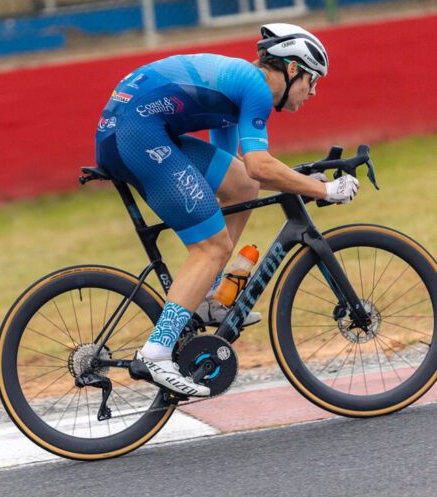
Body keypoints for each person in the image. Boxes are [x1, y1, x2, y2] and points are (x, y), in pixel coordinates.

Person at [94, 22, 360, 398]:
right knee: (212, 246)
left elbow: (243, 173)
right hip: (134, 135)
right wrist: (325, 190)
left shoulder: (239, 91)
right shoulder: (256, 89)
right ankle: (156, 353)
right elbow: (259, 164)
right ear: (292, 69)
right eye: (312, 80)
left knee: (241, 188)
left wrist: (301, 179)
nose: (313, 92)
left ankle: (211, 298)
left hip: (135, 129)